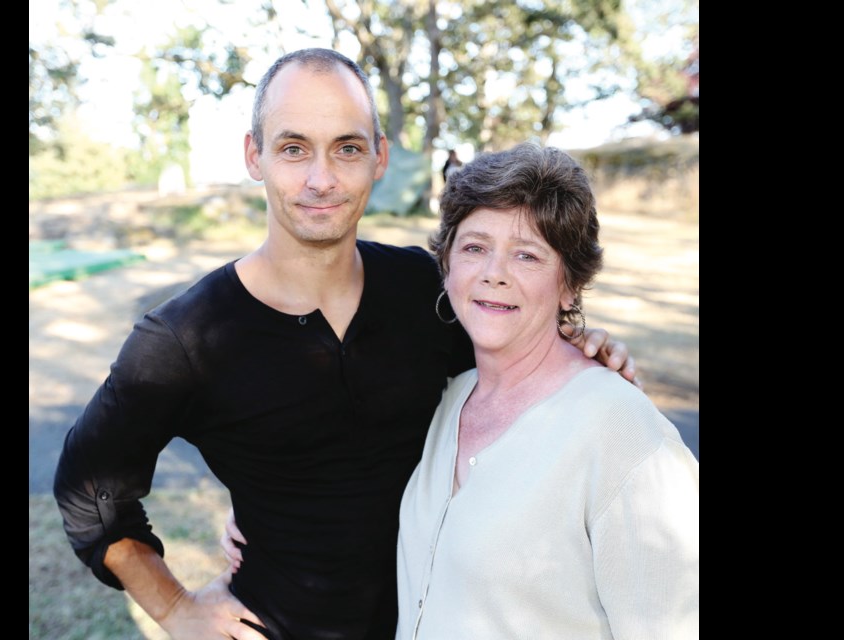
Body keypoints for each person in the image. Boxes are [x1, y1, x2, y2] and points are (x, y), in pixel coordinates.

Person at [53, 48, 638, 640]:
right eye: (293, 148)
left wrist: (582, 348)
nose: (322, 178)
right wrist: (177, 608)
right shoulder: (184, 337)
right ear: (254, 155)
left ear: (379, 157)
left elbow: (509, 376)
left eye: (348, 148)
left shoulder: (423, 290)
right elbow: (88, 490)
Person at [394, 142, 699, 639]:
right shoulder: (448, 399)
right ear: (447, 264)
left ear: (569, 285)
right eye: (474, 247)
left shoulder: (626, 436)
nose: (494, 272)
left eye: (527, 255)